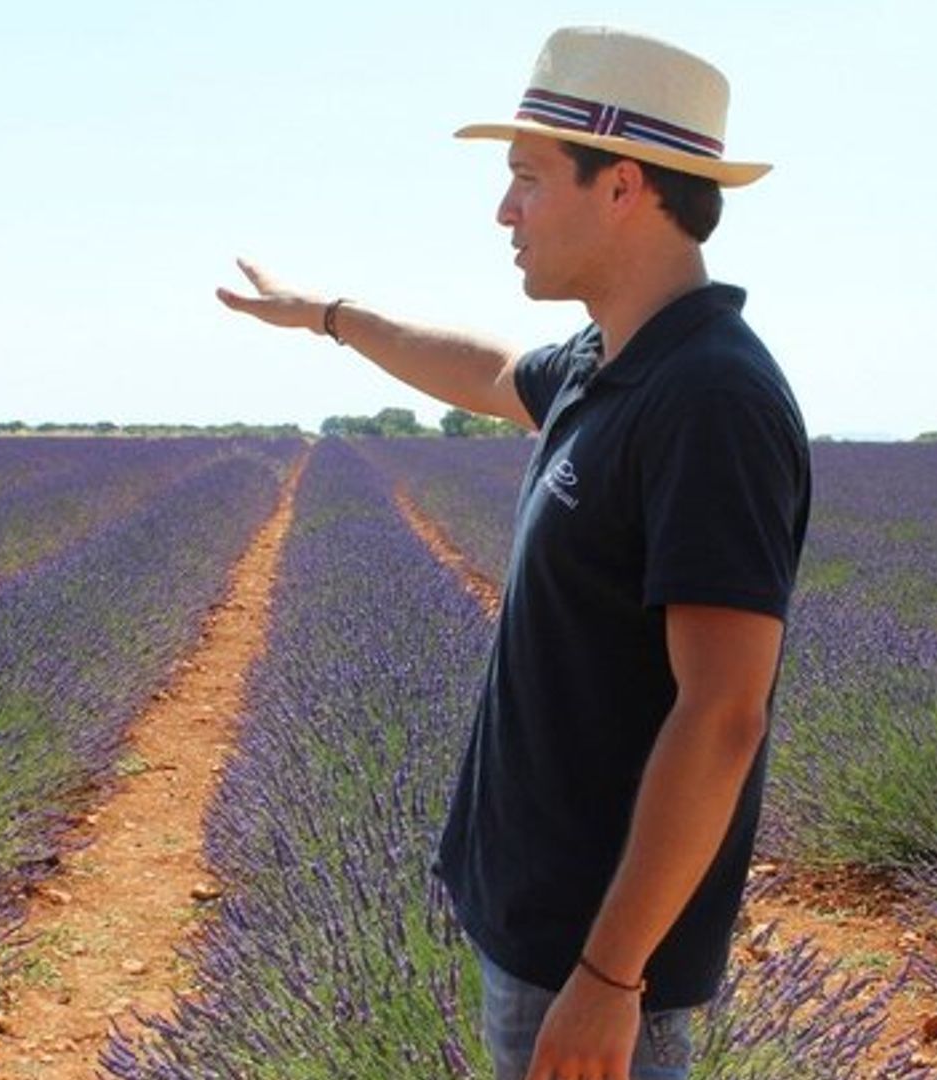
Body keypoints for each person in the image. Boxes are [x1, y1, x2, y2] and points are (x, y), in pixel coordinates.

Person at [218, 26, 810, 1080]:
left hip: (592, 953)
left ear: (623, 186)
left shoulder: (710, 399)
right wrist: (330, 317)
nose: (505, 212)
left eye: (527, 180)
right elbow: (488, 372)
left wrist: (611, 977)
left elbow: (723, 713)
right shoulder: (607, 358)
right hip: (543, 926)